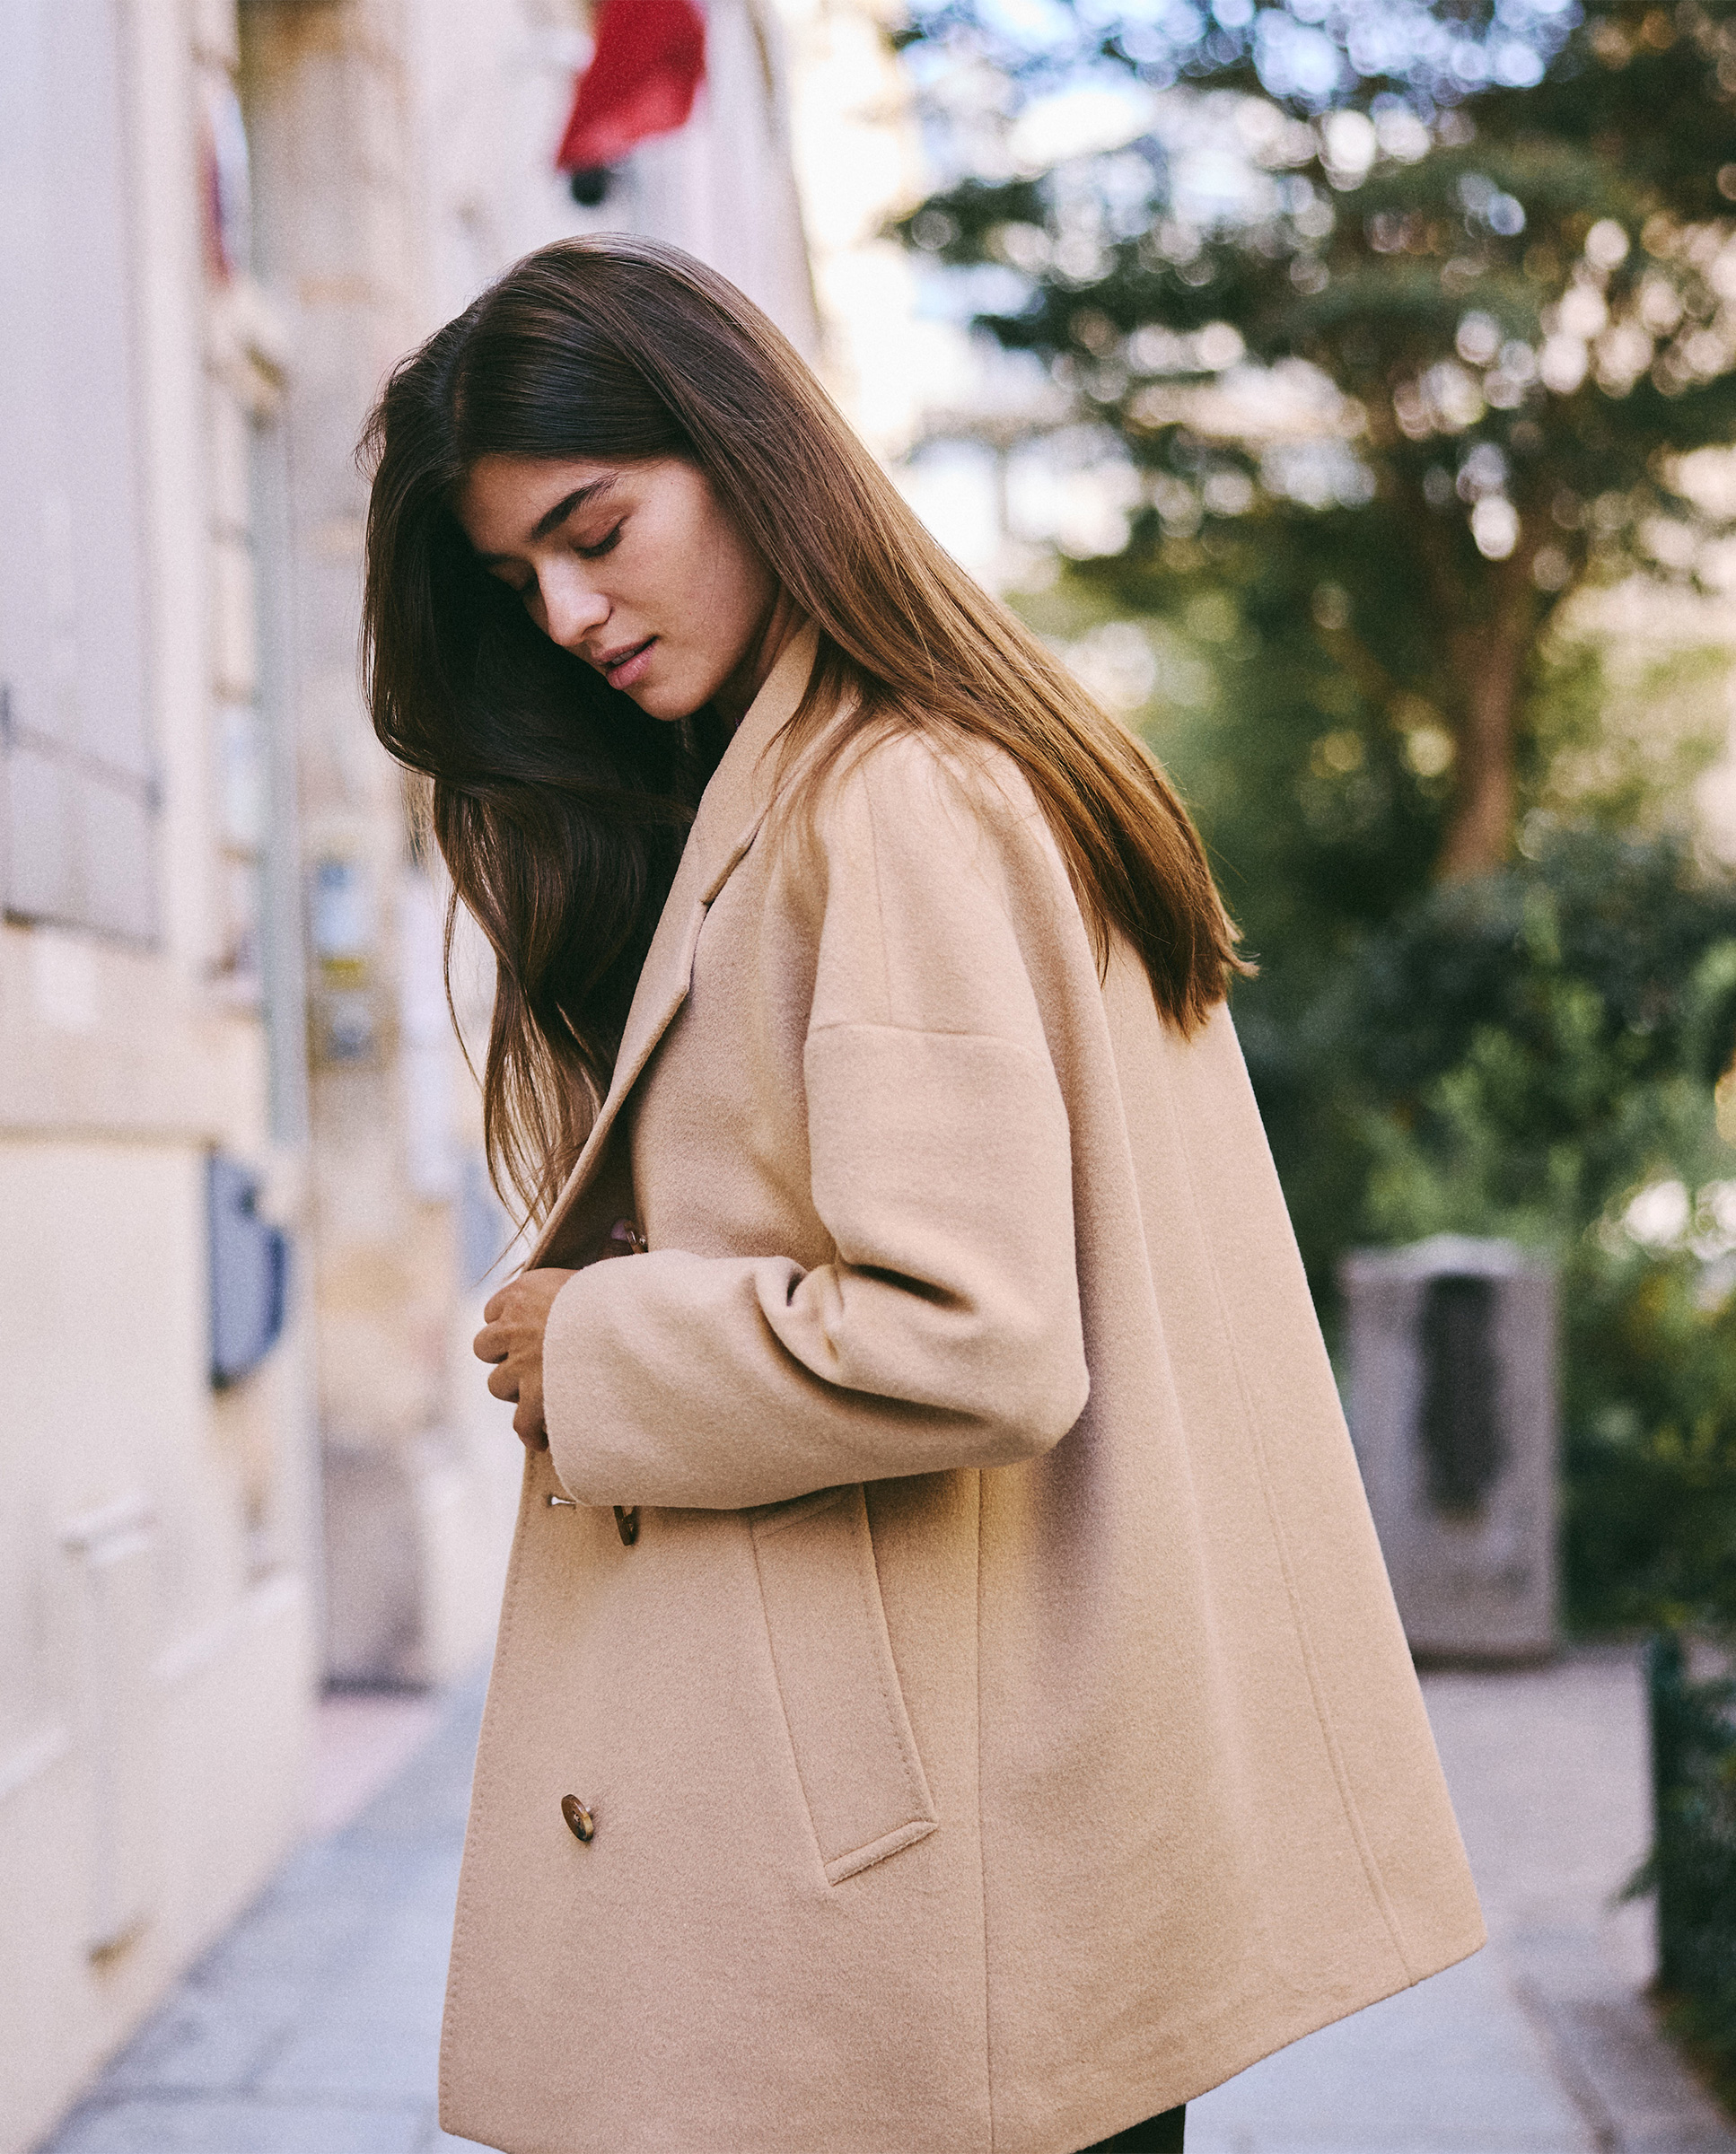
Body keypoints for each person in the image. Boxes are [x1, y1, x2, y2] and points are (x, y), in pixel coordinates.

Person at [361, 235, 1484, 2154]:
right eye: (510, 580)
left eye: (594, 531)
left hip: (925, 1877)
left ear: (746, 454)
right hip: (989, 1822)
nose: (563, 612)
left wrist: (596, 1343)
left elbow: (972, 1336)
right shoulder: (924, 766)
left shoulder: (883, 799)